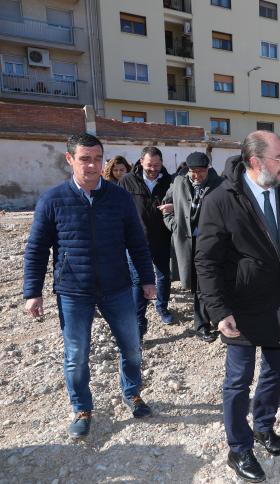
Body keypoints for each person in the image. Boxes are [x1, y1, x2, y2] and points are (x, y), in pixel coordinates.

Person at [195, 131, 280, 482]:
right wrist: (218, 311)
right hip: (241, 307)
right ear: (256, 162)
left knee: (275, 373)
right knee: (238, 381)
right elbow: (207, 261)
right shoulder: (221, 200)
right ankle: (239, 447)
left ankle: (263, 426)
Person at [23, 133, 155, 439]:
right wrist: (32, 292)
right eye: (85, 159)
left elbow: (137, 242)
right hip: (74, 291)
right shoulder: (53, 200)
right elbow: (37, 249)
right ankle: (82, 408)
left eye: (98, 158)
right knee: (76, 354)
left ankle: (132, 393)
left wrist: (147, 279)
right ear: (70, 159)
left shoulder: (119, 197)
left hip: (117, 287)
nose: (93, 165)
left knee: (132, 347)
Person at [162, 152, 222, 343]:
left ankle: (211, 320)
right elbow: (166, 205)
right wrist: (174, 225)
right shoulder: (179, 182)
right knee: (197, 285)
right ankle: (203, 324)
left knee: (209, 282)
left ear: (208, 169)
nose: (196, 176)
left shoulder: (219, 184)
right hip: (187, 243)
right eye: (193, 172)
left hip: (211, 242)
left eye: (200, 172)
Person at [119, 146, 175, 338]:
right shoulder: (127, 181)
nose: (153, 169)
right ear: (141, 161)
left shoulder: (171, 180)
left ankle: (162, 307)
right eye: (150, 165)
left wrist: (174, 206)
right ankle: (139, 322)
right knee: (138, 281)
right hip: (136, 241)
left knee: (163, 276)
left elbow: (183, 202)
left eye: (157, 165)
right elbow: (118, 208)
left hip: (162, 238)